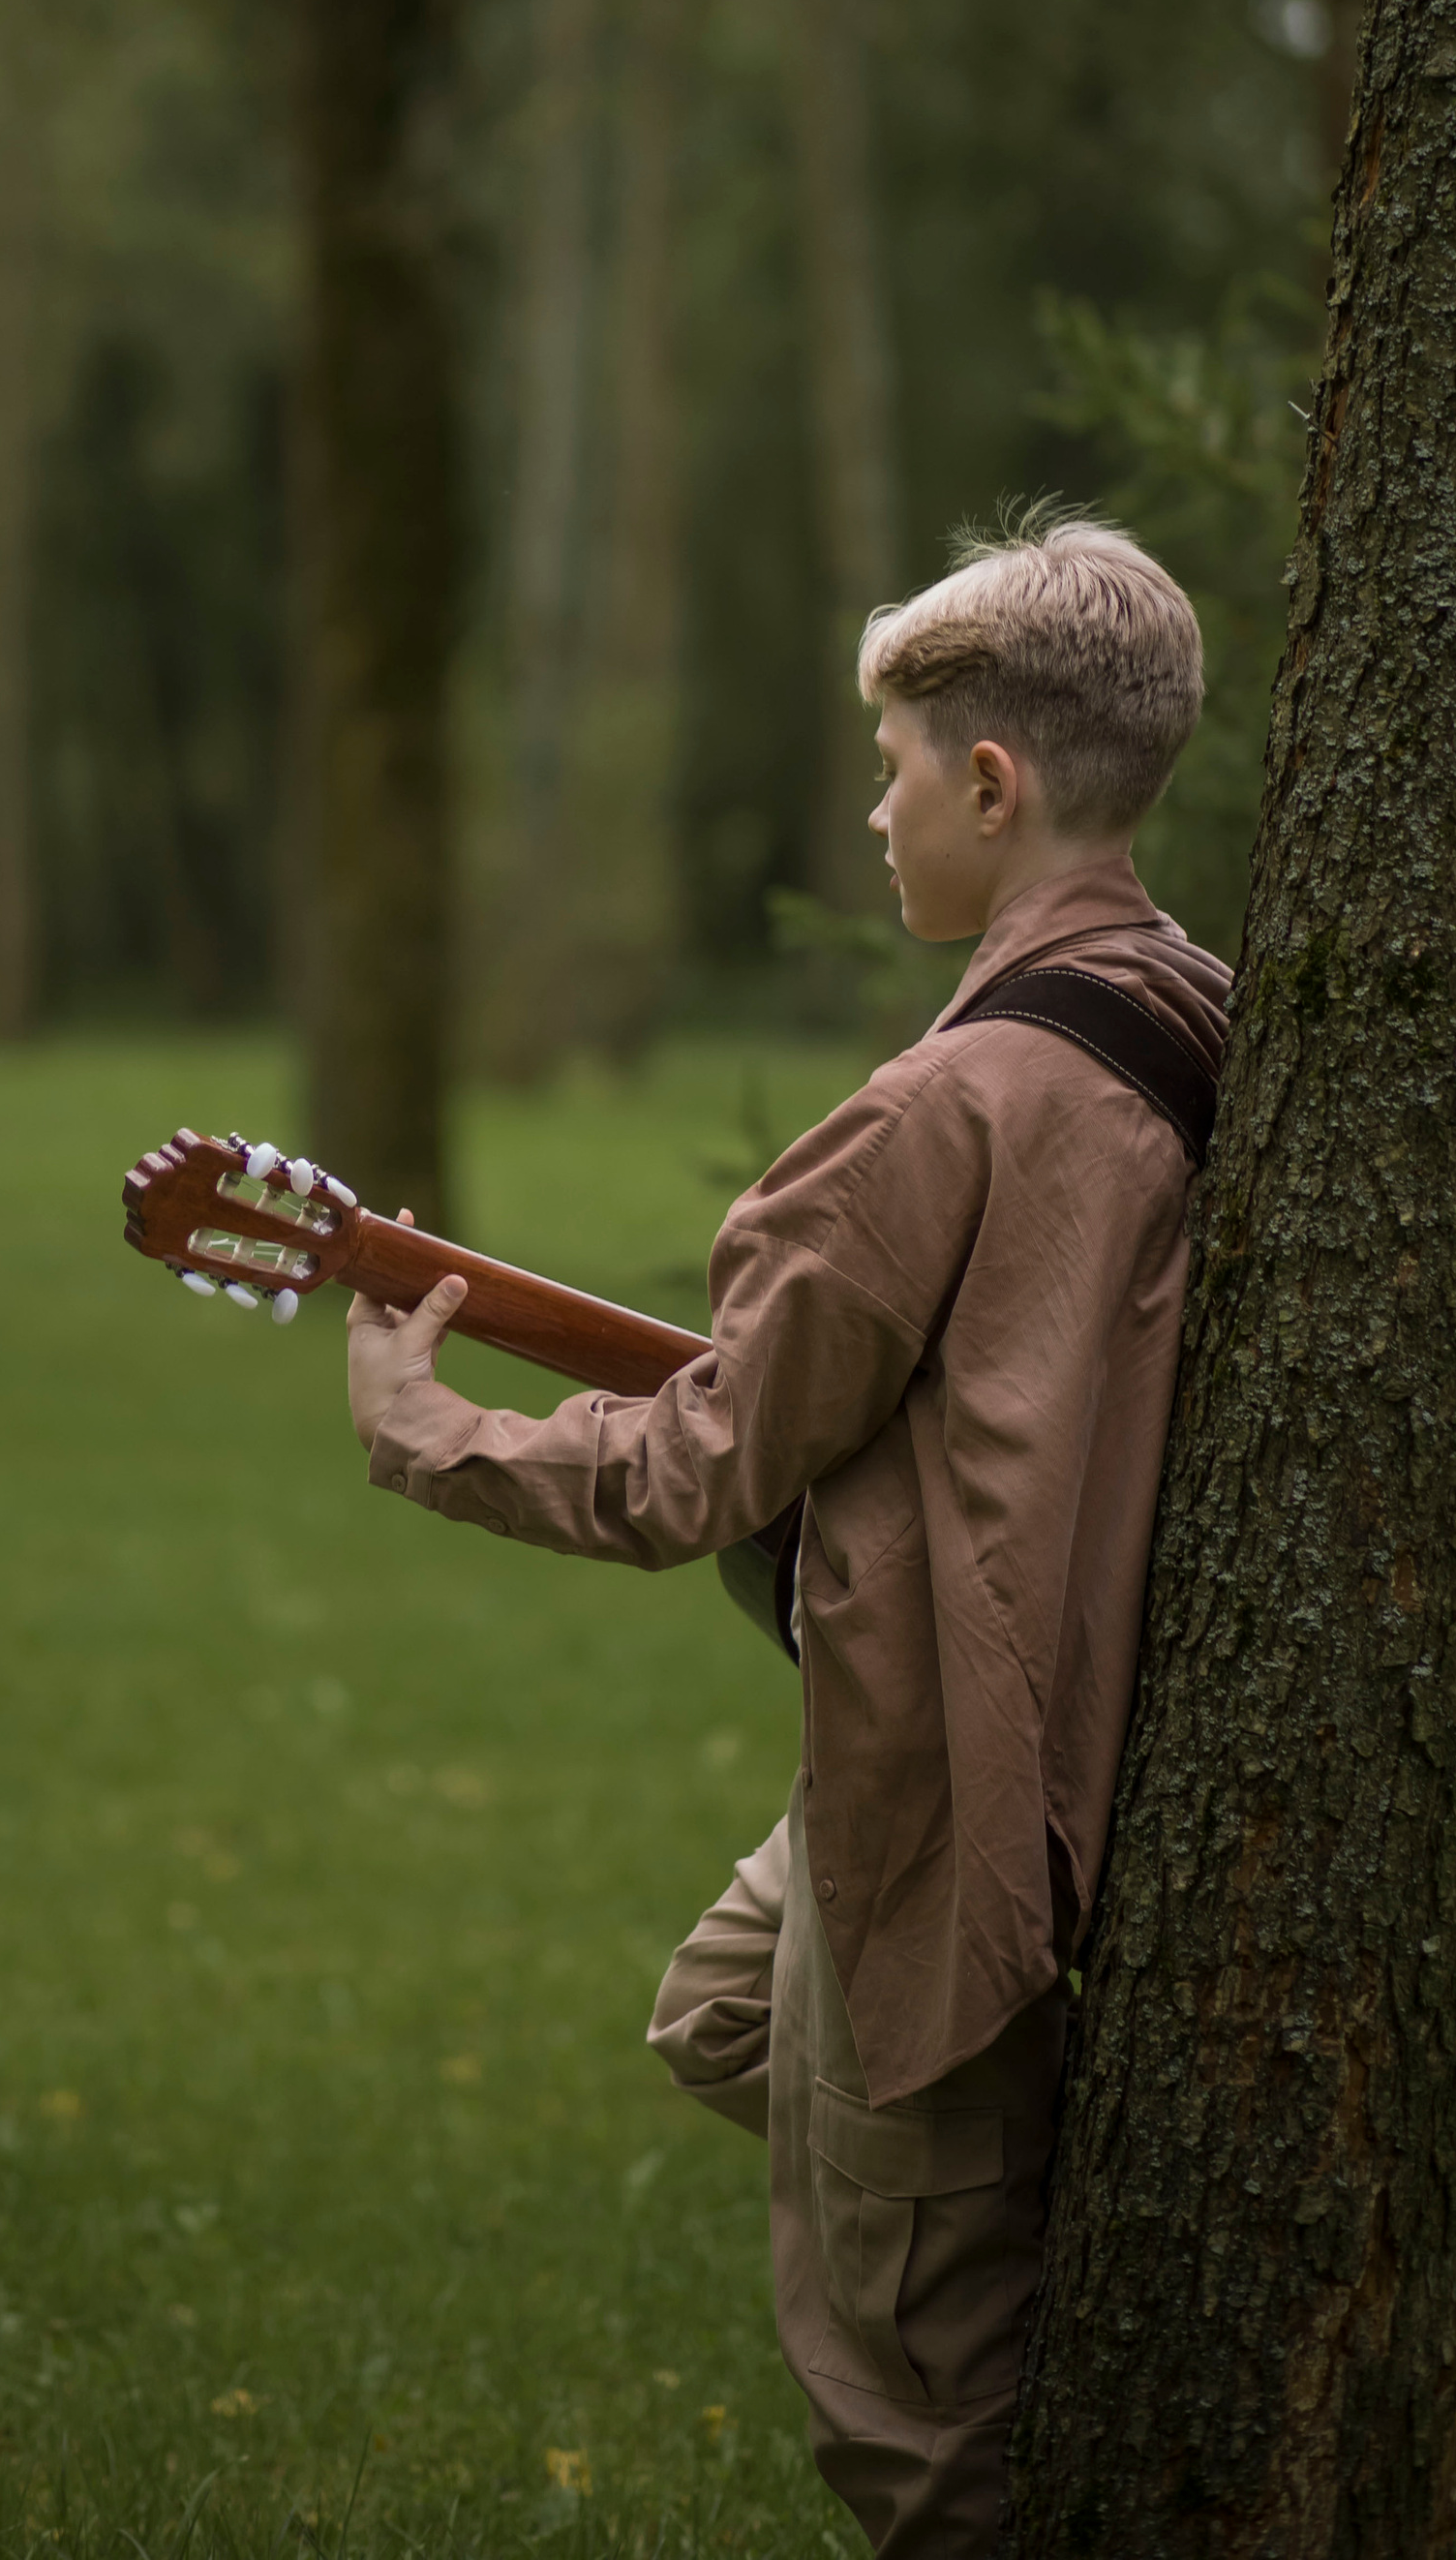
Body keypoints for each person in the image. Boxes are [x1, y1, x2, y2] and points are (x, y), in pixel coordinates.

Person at [345, 513, 1229, 2557]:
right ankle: (980, 2207)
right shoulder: (1197, 1016)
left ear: (987, 785)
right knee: (721, 2016)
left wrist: (428, 1428)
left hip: (964, 1779)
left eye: (895, 770)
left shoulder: (934, 1116)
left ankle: (961, 2251)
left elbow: (694, 1473)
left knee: (908, 2424)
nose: (873, 810)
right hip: (1068, 1753)